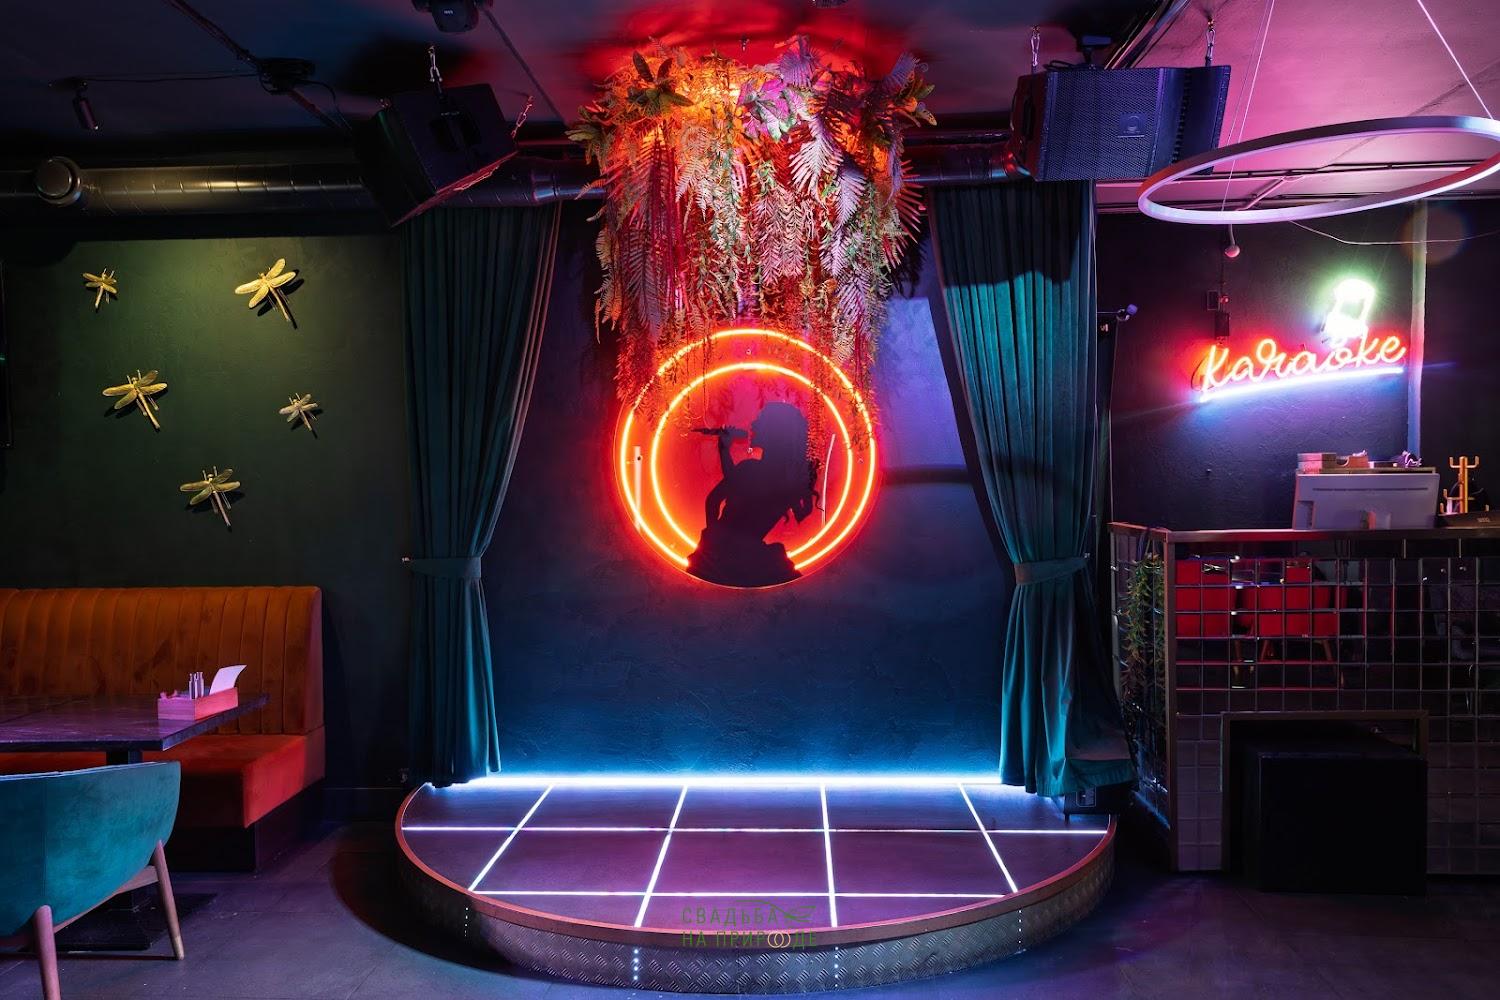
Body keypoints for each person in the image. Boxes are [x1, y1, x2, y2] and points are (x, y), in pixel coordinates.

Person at [686, 401, 818, 587]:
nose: (753, 424)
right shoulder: (788, 481)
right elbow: (736, 485)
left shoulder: (750, 469)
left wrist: (713, 544)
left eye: (760, 421)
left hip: (722, 556)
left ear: (774, 434)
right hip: (753, 560)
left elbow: (714, 499)